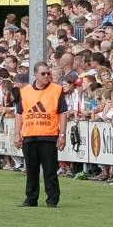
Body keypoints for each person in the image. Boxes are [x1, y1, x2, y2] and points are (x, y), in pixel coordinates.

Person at [13, 62, 68, 208]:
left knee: (50, 171)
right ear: (35, 75)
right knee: (31, 170)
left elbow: (62, 113)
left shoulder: (56, 90)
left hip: (48, 136)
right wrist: (17, 134)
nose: (46, 76)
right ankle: (31, 198)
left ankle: (52, 199)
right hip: (29, 135)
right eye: (43, 74)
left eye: (48, 73)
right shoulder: (24, 91)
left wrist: (62, 134)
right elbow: (19, 114)